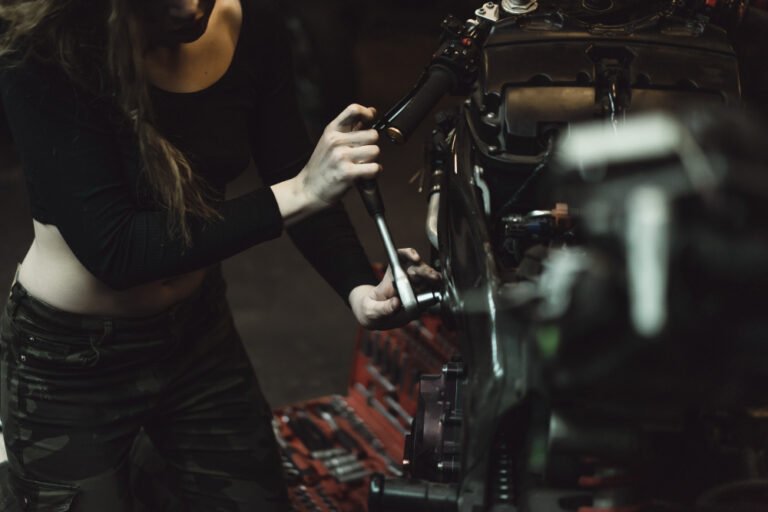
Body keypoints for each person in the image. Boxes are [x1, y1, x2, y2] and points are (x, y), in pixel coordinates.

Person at [0, 0, 438, 510]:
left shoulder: (250, 20)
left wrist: (358, 286)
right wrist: (301, 192)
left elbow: (292, 163)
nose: (191, 7)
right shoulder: (46, 51)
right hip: (72, 361)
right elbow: (117, 250)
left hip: (197, 337)